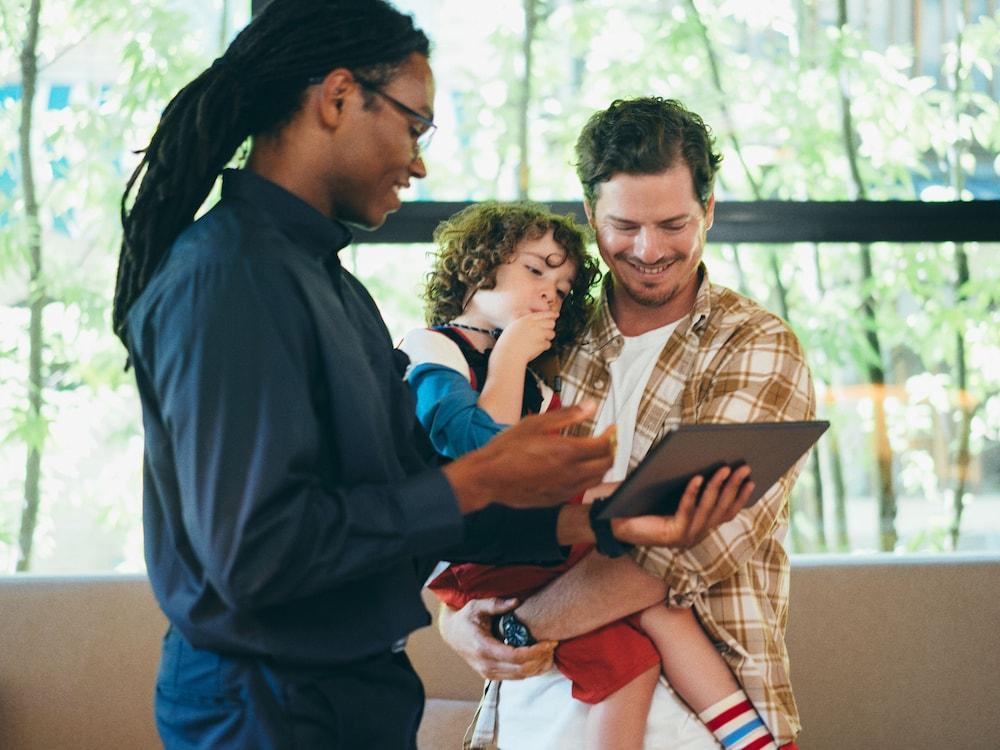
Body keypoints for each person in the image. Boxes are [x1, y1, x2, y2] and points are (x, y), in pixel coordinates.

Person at [112, 2, 744, 746]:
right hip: (267, 710)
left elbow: (402, 500)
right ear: (339, 98)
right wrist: (484, 474)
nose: (418, 162)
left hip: (338, 700)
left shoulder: (329, 286)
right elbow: (257, 555)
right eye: (415, 127)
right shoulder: (228, 279)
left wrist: (596, 520)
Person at [439, 97, 816, 750]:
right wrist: (456, 624)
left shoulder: (755, 345)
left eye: (673, 224)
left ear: (710, 209)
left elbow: (672, 554)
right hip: (530, 718)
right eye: (624, 226)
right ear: (590, 216)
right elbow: (460, 504)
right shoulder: (543, 339)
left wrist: (517, 627)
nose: (648, 250)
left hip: (698, 728)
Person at [401, 201, 766, 750]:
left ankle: (755, 739)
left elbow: (548, 480)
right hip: (481, 554)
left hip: (529, 543)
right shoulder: (433, 348)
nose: (550, 291)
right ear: (478, 267)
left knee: (657, 623)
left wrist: (626, 495)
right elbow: (484, 459)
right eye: (536, 269)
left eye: (564, 286)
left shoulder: (538, 379)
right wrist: (507, 363)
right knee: (632, 658)